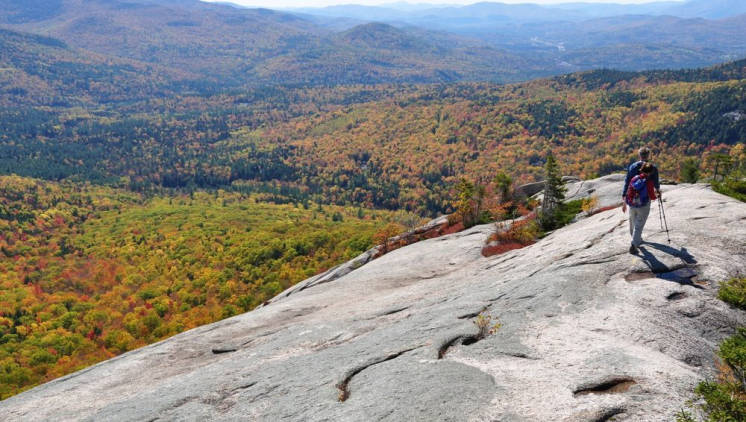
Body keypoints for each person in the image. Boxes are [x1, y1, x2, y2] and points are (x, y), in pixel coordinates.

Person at [622, 147, 661, 253]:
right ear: (648, 155)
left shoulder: (633, 166)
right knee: (640, 223)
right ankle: (635, 243)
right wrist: (657, 192)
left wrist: (624, 195)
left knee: (632, 219)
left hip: (632, 199)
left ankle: (635, 238)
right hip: (644, 200)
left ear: (639, 155)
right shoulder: (653, 168)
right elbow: (656, 183)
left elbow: (627, 181)